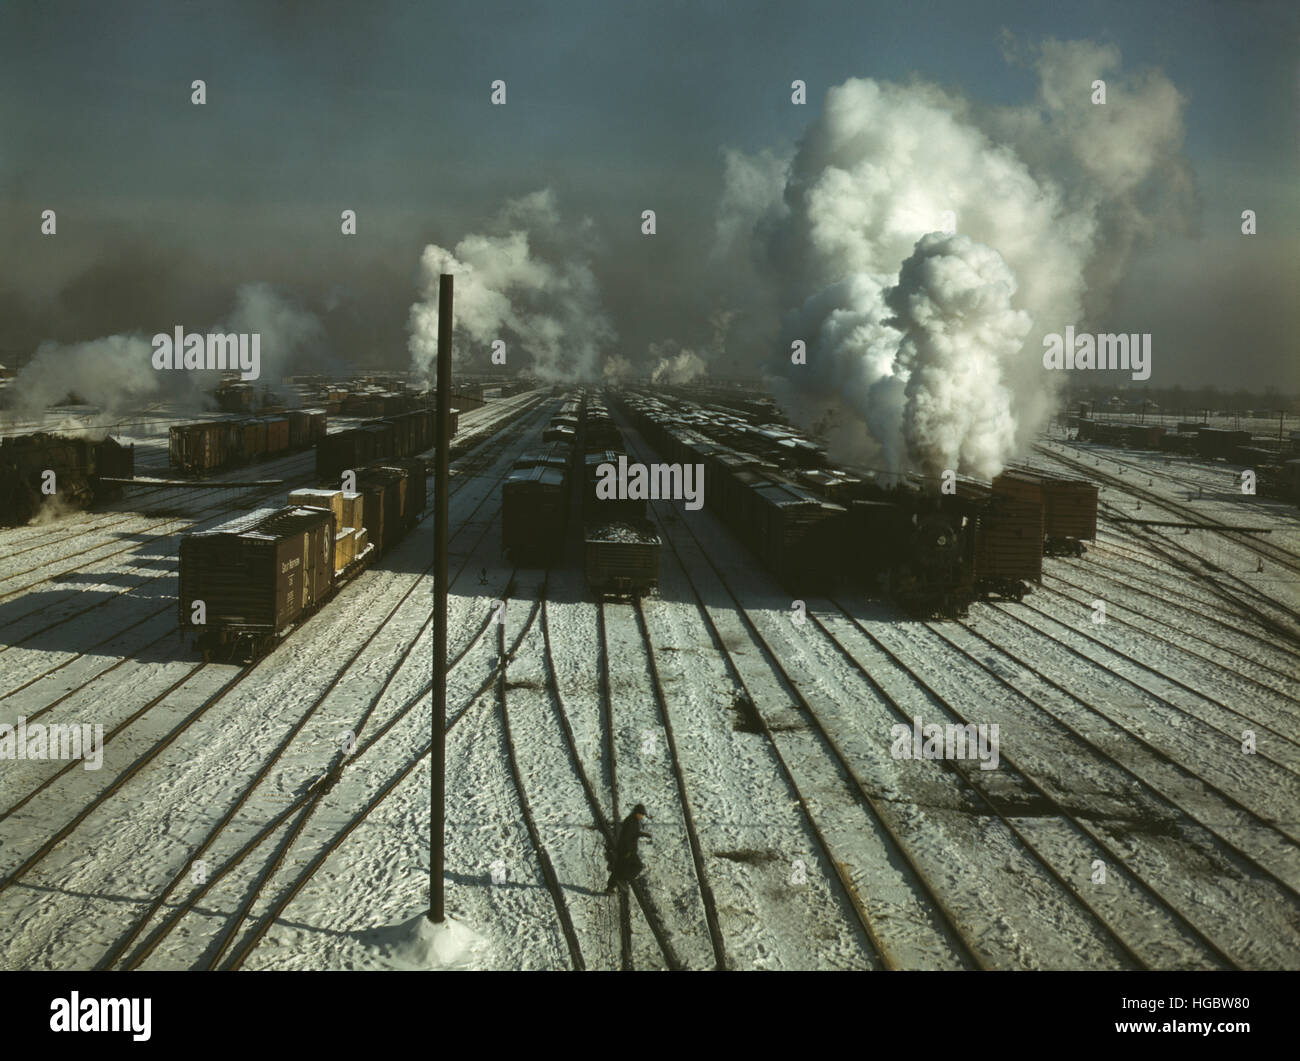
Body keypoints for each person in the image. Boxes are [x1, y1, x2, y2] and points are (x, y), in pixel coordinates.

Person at [604, 804, 651, 893]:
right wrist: (629, 851)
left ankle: (609, 888)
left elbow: (633, 833)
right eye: (641, 814)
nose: (642, 816)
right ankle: (623, 880)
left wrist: (643, 834)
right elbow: (626, 837)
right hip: (627, 850)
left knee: (618, 867)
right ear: (637, 813)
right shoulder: (632, 821)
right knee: (638, 866)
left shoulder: (632, 820)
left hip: (623, 849)